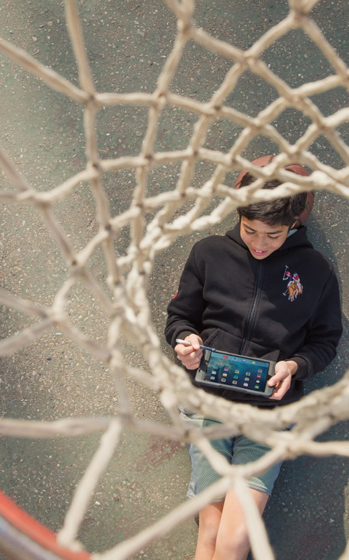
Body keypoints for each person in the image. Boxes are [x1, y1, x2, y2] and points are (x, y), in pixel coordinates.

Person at [164, 169, 343, 560]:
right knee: (210, 529)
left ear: (294, 223)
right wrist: (185, 342)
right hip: (209, 406)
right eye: (250, 231)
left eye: (273, 235)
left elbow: (325, 342)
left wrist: (295, 366)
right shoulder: (209, 252)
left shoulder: (317, 272)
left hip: (270, 416)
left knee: (235, 537)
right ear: (238, 217)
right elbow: (179, 318)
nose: (260, 244)